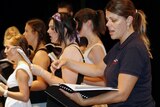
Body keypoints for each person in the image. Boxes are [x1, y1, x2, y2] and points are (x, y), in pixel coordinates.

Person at [50, 0, 156, 106]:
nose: (107, 24)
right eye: (107, 20)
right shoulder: (119, 47)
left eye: (113, 20)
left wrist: (85, 102)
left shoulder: (133, 48)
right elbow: (98, 69)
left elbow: (122, 94)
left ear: (128, 20)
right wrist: (66, 62)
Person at [31, 12, 84, 107]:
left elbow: (67, 86)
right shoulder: (68, 50)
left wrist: (42, 72)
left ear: (64, 30)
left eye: (52, 28)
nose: (48, 31)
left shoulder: (70, 50)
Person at [74, 8, 107, 87]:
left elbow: (105, 81)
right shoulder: (89, 45)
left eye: (78, 24)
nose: (76, 28)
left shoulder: (96, 48)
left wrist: (80, 79)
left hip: (94, 95)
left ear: (88, 23)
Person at [23, 18, 50, 107]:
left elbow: (42, 84)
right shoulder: (36, 53)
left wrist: (20, 85)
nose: (24, 34)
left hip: (39, 102)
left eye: (26, 31)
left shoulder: (40, 54)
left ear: (36, 33)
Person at [0, 34, 33, 107]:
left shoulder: (21, 69)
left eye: (7, 48)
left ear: (17, 49)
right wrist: (6, 87)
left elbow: (25, 97)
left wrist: (4, 92)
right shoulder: (21, 67)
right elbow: (17, 89)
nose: (5, 51)